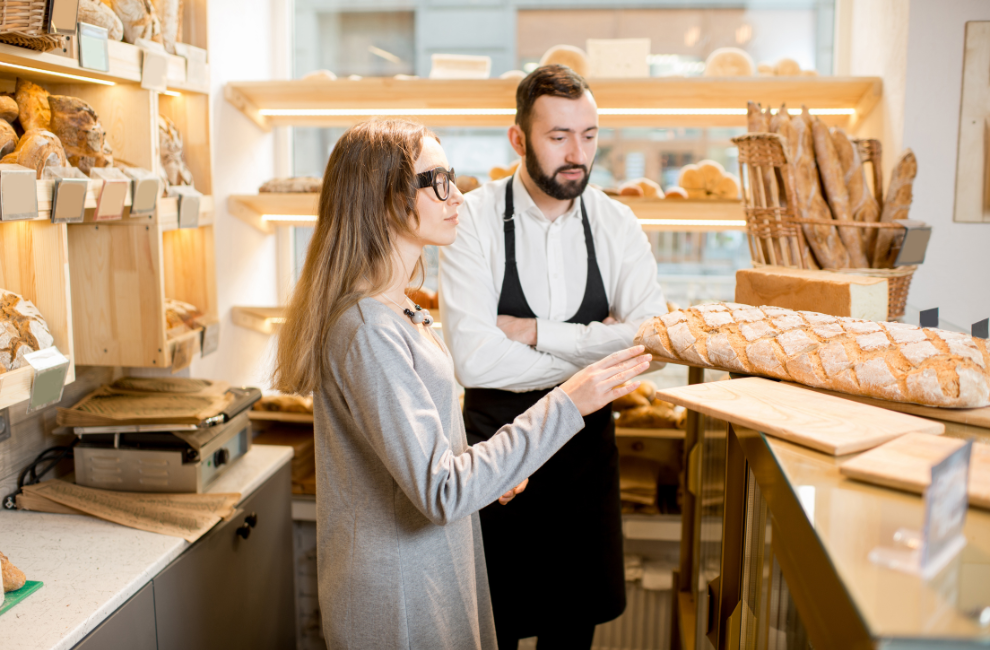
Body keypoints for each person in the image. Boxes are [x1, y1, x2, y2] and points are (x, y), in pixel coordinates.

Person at [272, 118, 652, 650]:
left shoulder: (398, 310)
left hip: (427, 569)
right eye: (435, 181)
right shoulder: (367, 331)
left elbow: (427, 459)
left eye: (451, 176)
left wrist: (487, 467)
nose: (456, 195)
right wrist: (567, 401)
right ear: (384, 200)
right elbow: (442, 491)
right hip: (396, 595)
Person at [439, 65, 669, 649]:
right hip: (499, 458)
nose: (577, 153)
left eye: (589, 136)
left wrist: (535, 332)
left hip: (584, 460)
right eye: (558, 136)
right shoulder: (472, 220)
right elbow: (475, 362)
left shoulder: (617, 222)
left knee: (573, 637)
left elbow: (653, 342)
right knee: (495, 631)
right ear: (518, 139)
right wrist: (596, 356)